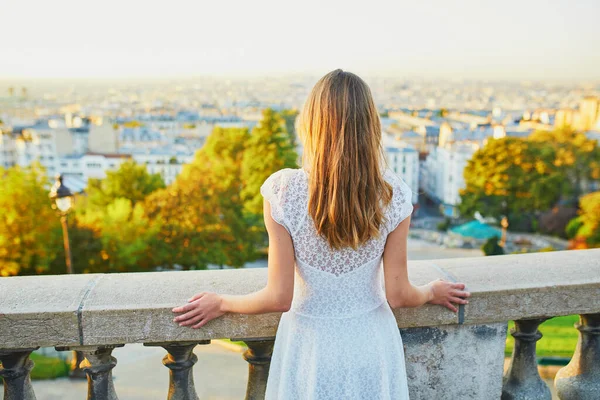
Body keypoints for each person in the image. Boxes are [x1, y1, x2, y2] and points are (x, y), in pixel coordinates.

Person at [172, 69, 470, 399]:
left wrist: (222, 302)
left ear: (311, 124)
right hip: (371, 344)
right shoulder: (394, 196)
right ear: (370, 126)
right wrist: (431, 292)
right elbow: (399, 295)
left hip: (308, 347)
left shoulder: (283, 192)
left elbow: (278, 297)